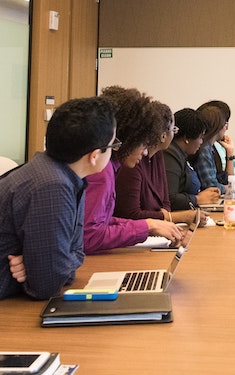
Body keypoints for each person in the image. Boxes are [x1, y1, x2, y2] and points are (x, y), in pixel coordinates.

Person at [0, 96, 118, 312]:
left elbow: (76, 253)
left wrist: (40, 265)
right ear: (94, 156)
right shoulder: (51, 186)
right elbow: (47, 285)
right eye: (114, 144)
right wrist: (45, 267)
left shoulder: (64, 176)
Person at [81, 86, 184, 254]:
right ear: (128, 139)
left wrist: (150, 225)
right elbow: (90, 236)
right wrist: (147, 225)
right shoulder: (102, 172)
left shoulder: (110, 166)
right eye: (143, 144)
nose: (144, 152)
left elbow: (101, 221)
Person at [114, 101, 204, 226]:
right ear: (162, 136)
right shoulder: (132, 162)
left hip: (158, 228)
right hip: (139, 232)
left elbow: (165, 200)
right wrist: (170, 217)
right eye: (174, 129)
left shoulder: (158, 155)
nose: (174, 134)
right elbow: (131, 214)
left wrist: (166, 215)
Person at [164, 108, 220, 213]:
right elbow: (170, 198)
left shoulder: (181, 154)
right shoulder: (170, 155)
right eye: (200, 137)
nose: (201, 142)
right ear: (187, 138)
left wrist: (202, 195)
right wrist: (198, 199)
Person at [193, 104, 230, 191]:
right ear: (217, 126)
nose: (227, 128)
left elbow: (222, 179)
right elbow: (211, 187)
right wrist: (230, 188)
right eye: (225, 124)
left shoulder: (210, 148)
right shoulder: (204, 150)